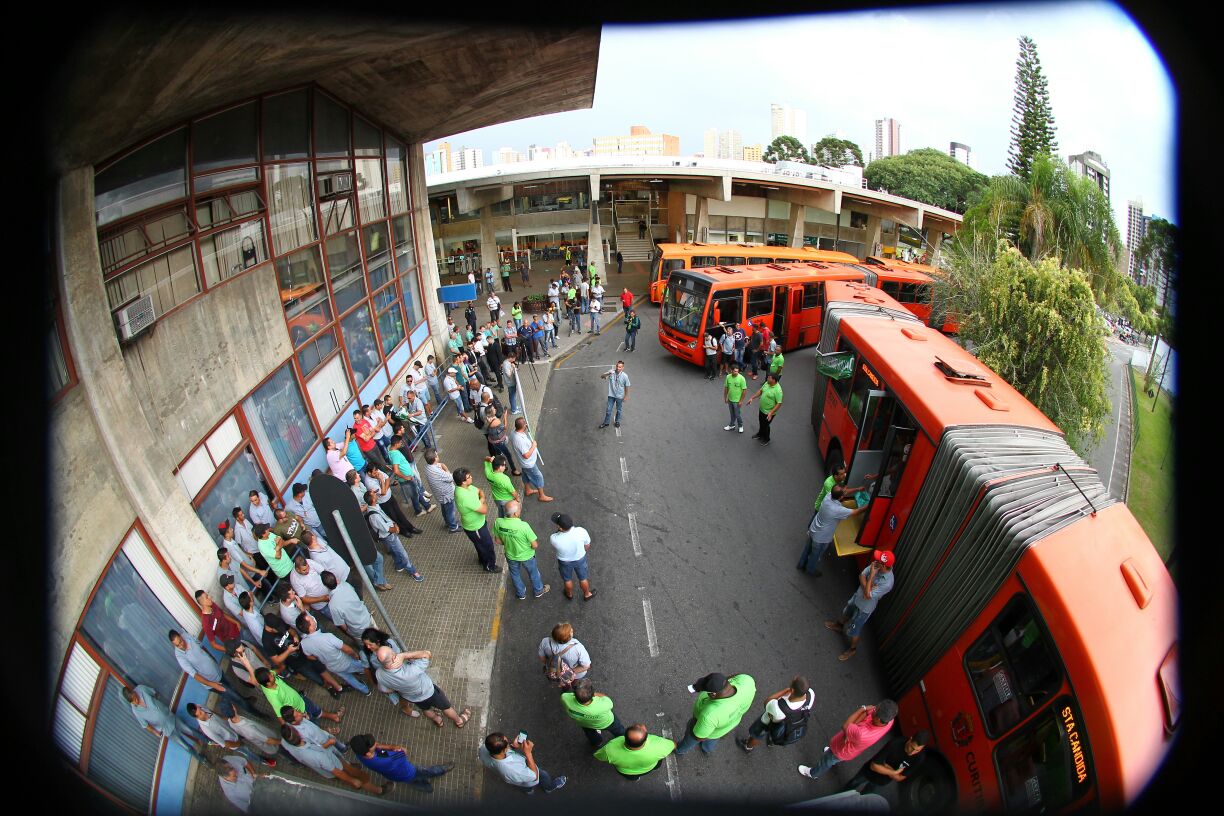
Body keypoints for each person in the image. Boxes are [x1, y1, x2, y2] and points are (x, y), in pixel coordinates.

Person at [798, 700, 898, 782]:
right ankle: (831, 756)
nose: (873, 708)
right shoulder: (889, 721)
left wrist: (862, 709)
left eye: (875, 711)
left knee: (827, 760)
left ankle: (813, 773)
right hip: (849, 747)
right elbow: (857, 720)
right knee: (833, 757)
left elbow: (846, 725)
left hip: (842, 749)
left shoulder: (862, 734)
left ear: (879, 719)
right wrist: (849, 731)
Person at [373, 645, 472, 727]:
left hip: (413, 698)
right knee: (446, 707)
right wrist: (404, 655)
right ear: (394, 657)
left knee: (426, 709)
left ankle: (438, 720)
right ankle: (459, 721)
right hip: (429, 692)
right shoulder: (412, 671)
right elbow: (427, 654)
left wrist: (398, 687)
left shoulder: (379, 673)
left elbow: (385, 690)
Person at [825, 550, 896, 661]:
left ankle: (852, 649)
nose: (875, 561)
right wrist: (868, 587)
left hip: (864, 609)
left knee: (854, 630)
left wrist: (871, 576)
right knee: (846, 612)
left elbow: (868, 596)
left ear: (883, 565)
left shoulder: (887, 583)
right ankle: (839, 625)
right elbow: (861, 576)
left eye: (878, 560)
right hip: (857, 597)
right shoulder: (876, 564)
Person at [280, 723, 387, 794]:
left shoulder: (286, 743)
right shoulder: (316, 756)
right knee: (359, 777)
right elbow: (337, 772)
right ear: (298, 734)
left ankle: (355, 774)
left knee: (349, 768)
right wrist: (352, 780)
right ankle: (378, 790)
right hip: (332, 764)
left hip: (330, 760)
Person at [169, 629, 253, 714]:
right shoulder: (180, 657)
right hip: (212, 682)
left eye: (180, 641)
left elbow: (201, 646)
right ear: (174, 645)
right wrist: (213, 684)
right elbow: (195, 675)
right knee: (234, 696)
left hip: (216, 670)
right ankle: (255, 712)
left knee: (232, 687)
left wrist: (211, 657)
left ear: (180, 636)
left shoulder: (187, 636)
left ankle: (245, 700)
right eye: (178, 645)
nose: (181, 644)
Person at [674, 671, 757, 756]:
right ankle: (706, 749)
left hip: (702, 724)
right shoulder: (747, 681)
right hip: (724, 727)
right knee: (713, 738)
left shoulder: (709, 715)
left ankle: (679, 750)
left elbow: (698, 736)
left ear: (713, 694)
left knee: (690, 739)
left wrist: (693, 727)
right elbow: (734, 676)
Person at [798, 485, 870, 576]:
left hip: (813, 529)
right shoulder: (837, 510)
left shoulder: (828, 496)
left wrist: (857, 489)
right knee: (815, 555)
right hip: (821, 539)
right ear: (841, 497)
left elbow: (843, 492)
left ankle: (801, 564)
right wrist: (869, 505)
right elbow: (856, 512)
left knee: (807, 548)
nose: (845, 490)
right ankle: (810, 570)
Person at [123, 683, 208, 759]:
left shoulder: (141, 689)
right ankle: (202, 759)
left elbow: (155, 693)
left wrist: (159, 708)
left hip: (170, 717)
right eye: (133, 702)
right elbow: (145, 725)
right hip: (165, 729)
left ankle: (207, 740)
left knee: (189, 730)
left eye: (135, 698)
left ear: (133, 692)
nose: (136, 701)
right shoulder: (135, 711)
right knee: (185, 746)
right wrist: (155, 732)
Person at [297, 612, 372, 695]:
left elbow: (309, 657)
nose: (313, 618)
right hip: (346, 661)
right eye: (311, 619)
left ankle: (365, 691)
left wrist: (321, 658)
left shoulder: (304, 644)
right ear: (310, 627)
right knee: (366, 668)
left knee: (349, 679)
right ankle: (376, 678)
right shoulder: (328, 637)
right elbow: (347, 649)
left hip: (332, 667)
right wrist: (355, 655)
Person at [351, 733, 454, 793]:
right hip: (406, 772)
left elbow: (379, 748)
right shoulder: (386, 761)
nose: (377, 744)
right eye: (374, 745)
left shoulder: (361, 753)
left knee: (412, 782)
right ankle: (441, 771)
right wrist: (397, 748)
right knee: (424, 772)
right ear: (369, 753)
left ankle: (426, 787)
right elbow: (403, 753)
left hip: (395, 775)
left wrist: (390, 747)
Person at [736, 676, 815, 752]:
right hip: (787, 724)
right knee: (776, 731)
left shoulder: (779, 708)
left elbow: (767, 702)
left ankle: (748, 747)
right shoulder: (810, 695)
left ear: (793, 690)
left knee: (757, 734)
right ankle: (771, 739)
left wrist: (786, 691)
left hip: (768, 721)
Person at [842, 729, 930, 795]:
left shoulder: (919, 758)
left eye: (917, 750)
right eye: (912, 747)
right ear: (910, 739)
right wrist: (894, 772)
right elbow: (874, 766)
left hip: (881, 782)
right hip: (868, 772)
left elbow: (900, 778)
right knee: (852, 784)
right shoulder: (895, 744)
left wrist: (884, 765)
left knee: (864, 798)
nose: (912, 752)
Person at [362, 489, 424, 581]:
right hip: (388, 536)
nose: (377, 495)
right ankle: (413, 572)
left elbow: (385, 518)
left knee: (395, 551)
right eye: (375, 495)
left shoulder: (375, 507)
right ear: (373, 500)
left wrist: (394, 524)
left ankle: (399, 565)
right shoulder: (374, 516)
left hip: (389, 535)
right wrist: (395, 529)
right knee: (403, 554)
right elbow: (385, 528)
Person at [494, 499, 550, 600]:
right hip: (527, 556)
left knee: (515, 574)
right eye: (519, 509)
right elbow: (535, 545)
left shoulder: (498, 522)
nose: (520, 510)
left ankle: (521, 593)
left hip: (511, 555)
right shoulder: (524, 526)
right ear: (515, 513)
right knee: (533, 573)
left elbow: (498, 541)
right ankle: (538, 590)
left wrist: (509, 541)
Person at [480, 732, 567, 794]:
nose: (508, 743)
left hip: (519, 780)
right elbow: (534, 776)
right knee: (543, 775)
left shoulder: (484, 749)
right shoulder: (512, 770)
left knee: (525, 786)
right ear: (503, 750)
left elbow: (503, 749)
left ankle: (529, 791)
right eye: (507, 744)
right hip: (528, 776)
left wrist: (512, 745)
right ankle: (549, 787)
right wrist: (528, 753)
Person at [187, 702, 271, 766]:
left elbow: (213, 713)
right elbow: (224, 743)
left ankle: (266, 743)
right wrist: (237, 744)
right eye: (200, 713)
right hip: (233, 741)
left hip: (233, 728)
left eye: (200, 708)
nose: (203, 711)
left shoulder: (201, 706)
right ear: (197, 717)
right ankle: (262, 761)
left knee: (250, 735)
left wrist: (228, 719)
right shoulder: (207, 730)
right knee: (248, 752)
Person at [453, 467, 502, 572]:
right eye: (469, 477)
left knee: (480, 544)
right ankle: (489, 566)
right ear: (463, 482)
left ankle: (482, 559)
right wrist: (482, 499)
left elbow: (480, 491)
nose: (471, 477)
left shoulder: (466, 487)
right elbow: (484, 509)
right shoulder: (464, 496)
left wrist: (481, 499)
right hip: (475, 527)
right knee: (487, 546)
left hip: (478, 523)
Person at [594, 723, 676, 780]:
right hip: (650, 767)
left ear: (624, 737)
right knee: (657, 764)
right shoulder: (659, 745)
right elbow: (673, 745)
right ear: (645, 740)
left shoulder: (610, 748)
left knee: (633, 778)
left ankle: (636, 778)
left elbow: (598, 756)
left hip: (627, 772)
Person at [562, 679, 625, 748]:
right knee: (618, 729)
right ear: (592, 694)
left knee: (590, 734)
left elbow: (567, 695)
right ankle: (623, 738)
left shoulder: (565, 698)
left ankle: (597, 743)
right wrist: (594, 694)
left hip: (585, 724)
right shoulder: (603, 705)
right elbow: (605, 698)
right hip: (607, 722)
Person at [547, 512, 595, 601]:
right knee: (583, 578)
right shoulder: (581, 531)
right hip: (580, 559)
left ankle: (569, 594)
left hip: (564, 562)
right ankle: (587, 594)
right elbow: (587, 545)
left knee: (567, 579)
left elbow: (557, 536)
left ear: (560, 527)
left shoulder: (554, 538)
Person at [223, 701, 282, 767]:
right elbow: (269, 741)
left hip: (269, 739)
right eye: (232, 705)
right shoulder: (250, 730)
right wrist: (282, 742)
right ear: (233, 709)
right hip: (274, 745)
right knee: (285, 751)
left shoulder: (231, 722)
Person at [511, 417, 554, 501]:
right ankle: (541, 495)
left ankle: (528, 490)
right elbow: (526, 455)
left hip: (524, 463)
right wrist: (534, 446)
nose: (527, 425)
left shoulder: (514, 432)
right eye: (525, 424)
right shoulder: (519, 440)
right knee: (539, 477)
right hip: (528, 463)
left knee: (525, 475)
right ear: (524, 426)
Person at [537, 622, 591, 687]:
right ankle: (567, 687)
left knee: (561, 682)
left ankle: (562, 686)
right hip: (572, 675)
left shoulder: (545, 642)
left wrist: (554, 666)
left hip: (553, 671)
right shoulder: (578, 648)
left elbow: (542, 658)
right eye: (571, 631)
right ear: (569, 637)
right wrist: (568, 672)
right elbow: (586, 666)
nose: (572, 630)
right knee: (572, 683)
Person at [422, 449, 462, 533]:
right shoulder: (437, 472)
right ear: (435, 458)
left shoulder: (428, 467)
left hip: (440, 495)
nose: (438, 455)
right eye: (437, 454)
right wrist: (446, 468)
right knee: (450, 511)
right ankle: (453, 527)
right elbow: (451, 478)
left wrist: (440, 465)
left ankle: (448, 522)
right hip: (446, 495)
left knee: (445, 509)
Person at [745, 371, 783, 446]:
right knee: (761, 422)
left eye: (769, 378)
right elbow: (760, 391)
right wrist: (752, 398)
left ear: (774, 380)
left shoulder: (778, 390)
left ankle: (766, 439)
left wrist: (771, 413)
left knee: (766, 425)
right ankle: (760, 434)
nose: (767, 378)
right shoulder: (767, 383)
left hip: (769, 413)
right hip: (762, 409)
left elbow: (779, 403)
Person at [598, 361, 631, 429]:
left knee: (618, 409)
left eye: (620, 367)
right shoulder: (611, 372)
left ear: (622, 368)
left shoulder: (625, 376)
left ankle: (617, 421)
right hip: (611, 395)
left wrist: (626, 396)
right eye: (617, 366)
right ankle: (606, 422)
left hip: (619, 396)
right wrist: (608, 373)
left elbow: (627, 386)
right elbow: (602, 376)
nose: (618, 368)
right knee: (608, 410)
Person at [723, 362, 748, 433]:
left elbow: (744, 390)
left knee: (737, 414)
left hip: (737, 401)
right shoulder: (728, 377)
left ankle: (740, 426)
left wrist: (741, 401)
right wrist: (725, 397)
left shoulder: (741, 378)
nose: (736, 372)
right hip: (730, 399)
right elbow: (726, 388)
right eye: (735, 371)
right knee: (732, 414)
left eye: (737, 371)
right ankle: (732, 425)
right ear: (731, 370)